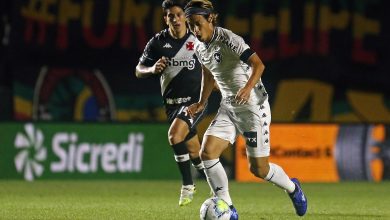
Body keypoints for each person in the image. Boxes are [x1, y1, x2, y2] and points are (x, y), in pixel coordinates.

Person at [184, 0, 307, 218]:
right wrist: (202, 102)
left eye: (197, 23)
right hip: (228, 108)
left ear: (210, 19)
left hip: (252, 108)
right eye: (190, 24)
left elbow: (259, 64)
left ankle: (293, 188)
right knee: (207, 153)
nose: (194, 29)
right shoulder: (199, 45)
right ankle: (228, 208)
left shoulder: (229, 39)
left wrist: (247, 88)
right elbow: (209, 73)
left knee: (259, 169)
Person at [135, 0, 207, 206]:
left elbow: (213, 65)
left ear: (185, 16)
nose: (175, 19)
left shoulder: (197, 39)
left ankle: (187, 185)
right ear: (165, 18)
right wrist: (152, 69)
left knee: (175, 136)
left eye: (178, 14)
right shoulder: (158, 42)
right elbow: (138, 70)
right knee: (195, 151)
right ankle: (218, 187)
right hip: (172, 105)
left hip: (195, 102)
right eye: (170, 16)